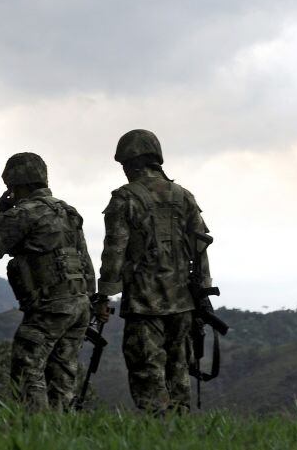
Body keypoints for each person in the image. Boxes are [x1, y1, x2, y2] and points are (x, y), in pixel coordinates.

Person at [93, 129, 213, 414]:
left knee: (147, 370)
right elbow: (201, 247)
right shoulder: (184, 196)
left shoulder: (124, 199)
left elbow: (114, 251)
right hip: (184, 301)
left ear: (129, 163)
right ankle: (180, 428)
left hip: (143, 303)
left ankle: (157, 429)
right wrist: (204, 289)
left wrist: (104, 296)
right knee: (179, 367)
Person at [0, 152, 96, 410]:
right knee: (63, 374)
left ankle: (34, 430)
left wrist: (2, 213)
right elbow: (85, 260)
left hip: (50, 305)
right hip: (79, 304)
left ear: (15, 184)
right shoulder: (68, 211)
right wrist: (92, 299)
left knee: (27, 368)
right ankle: (60, 430)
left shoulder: (23, 213)